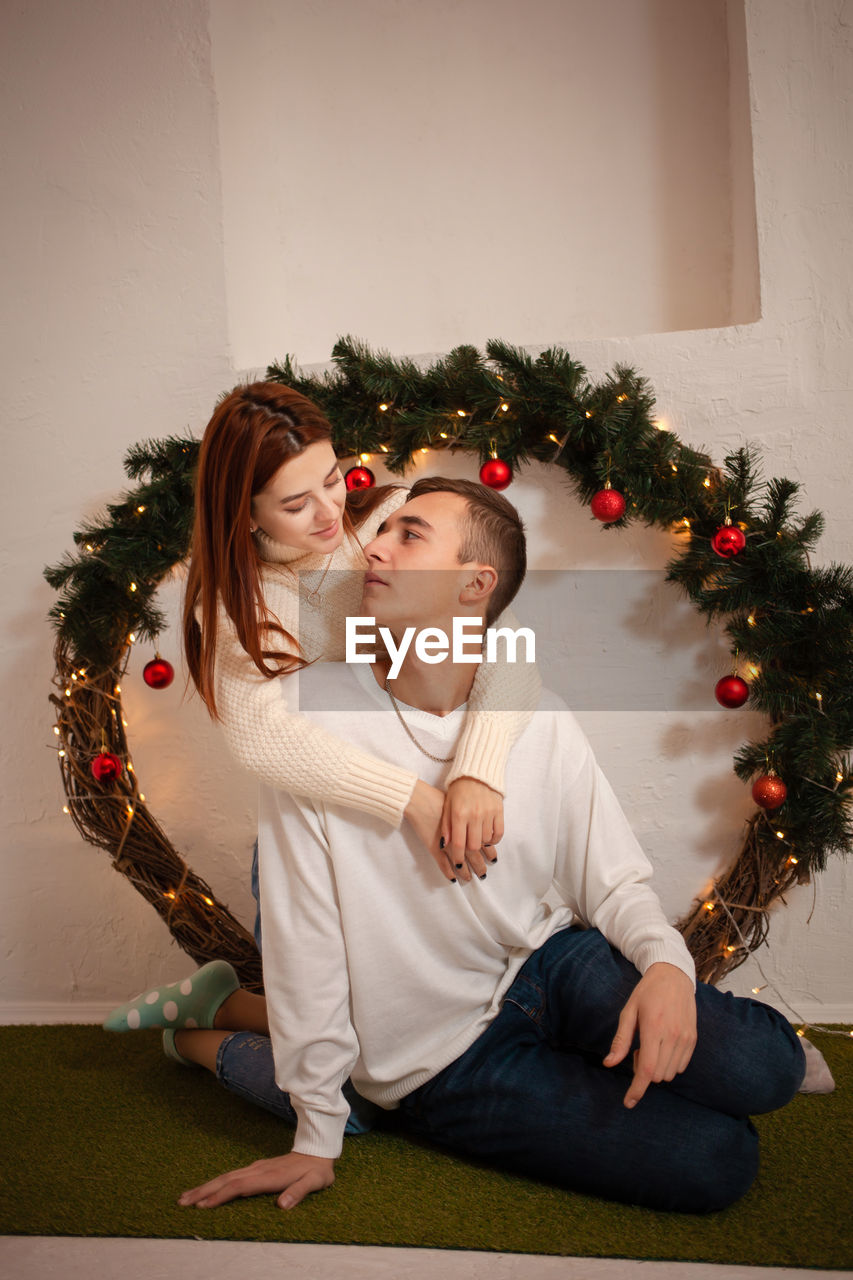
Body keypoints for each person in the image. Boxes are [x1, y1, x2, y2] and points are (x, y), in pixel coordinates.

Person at [159, 477, 806, 1215]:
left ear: (474, 584)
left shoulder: (538, 717)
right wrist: (315, 1135)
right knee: (717, 1164)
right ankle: (197, 1034)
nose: (371, 544)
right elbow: (305, 945)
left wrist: (662, 968)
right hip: (443, 1060)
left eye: (409, 534)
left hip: (547, 963)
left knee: (767, 1064)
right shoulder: (312, 734)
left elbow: (611, 883)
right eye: (381, 530)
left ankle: (639, 1045)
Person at [182, 380, 540, 884]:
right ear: (245, 514)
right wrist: (411, 799)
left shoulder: (390, 519)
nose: (330, 512)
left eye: (332, 479)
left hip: (447, 801)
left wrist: (478, 770)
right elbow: (261, 738)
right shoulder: (233, 604)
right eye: (295, 505)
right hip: (328, 838)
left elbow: (501, 643)